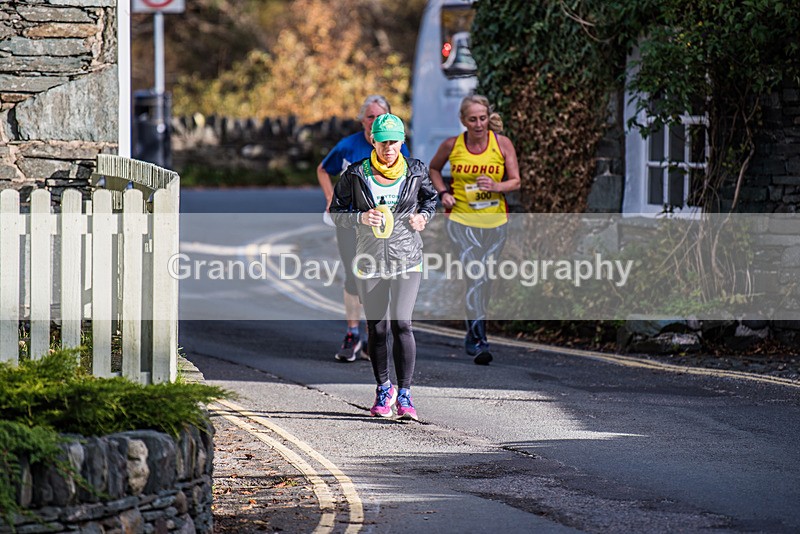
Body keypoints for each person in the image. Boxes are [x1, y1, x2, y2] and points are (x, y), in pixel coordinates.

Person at [330, 113, 437, 420]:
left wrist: (423, 218)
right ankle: (383, 389)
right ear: (373, 141)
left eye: (394, 141)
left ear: (402, 142)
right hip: (370, 259)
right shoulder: (356, 174)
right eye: (383, 141)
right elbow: (337, 211)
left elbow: (431, 200)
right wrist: (359, 218)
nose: (389, 148)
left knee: (402, 323)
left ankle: (405, 395)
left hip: (407, 257)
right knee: (378, 327)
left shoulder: (415, 170)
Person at [317, 95, 411, 363]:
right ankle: (352, 334)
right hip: (350, 221)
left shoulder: (396, 147)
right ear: (361, 120)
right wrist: (329, 198)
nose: (374, 122)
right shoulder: (348, 146)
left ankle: (374, 337)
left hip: (382, 226)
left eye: (380, 116)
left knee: (379, 276)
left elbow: (408, 184)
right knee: (352, 275)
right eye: (370, 117)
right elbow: (323, 169)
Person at [428, 94, 521, 365]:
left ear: (488, 117)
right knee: (475, 274)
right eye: (473, 119)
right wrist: (443, 193)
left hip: (495, 222)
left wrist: (497, 186)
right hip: (461, 220)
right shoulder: (452, 145)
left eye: (482, 118)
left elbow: (515, 181)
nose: (479, 124)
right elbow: (433, 169)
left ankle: (475, 331)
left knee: (485, 278)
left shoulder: (502, 144)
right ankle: (479, 340)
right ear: (463, 120)